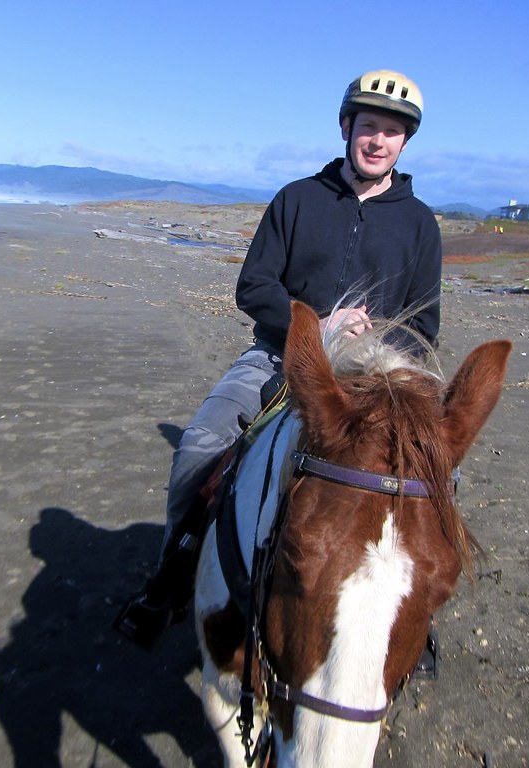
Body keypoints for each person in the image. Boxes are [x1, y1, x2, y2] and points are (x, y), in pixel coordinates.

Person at [116, 69, 442, 648]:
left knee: (440, 478)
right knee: (198, 446)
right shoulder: (297, 199)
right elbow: (254, 286)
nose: (378, 141)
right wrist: (317, 327)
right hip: (277, 359)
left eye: (392, 132)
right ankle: (169, 580)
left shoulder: (420, 224)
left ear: (404, 143)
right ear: (347, 127)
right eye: (369, 126)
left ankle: (417, 620)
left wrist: (377, 355)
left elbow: (423, 326)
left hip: (374, 380)